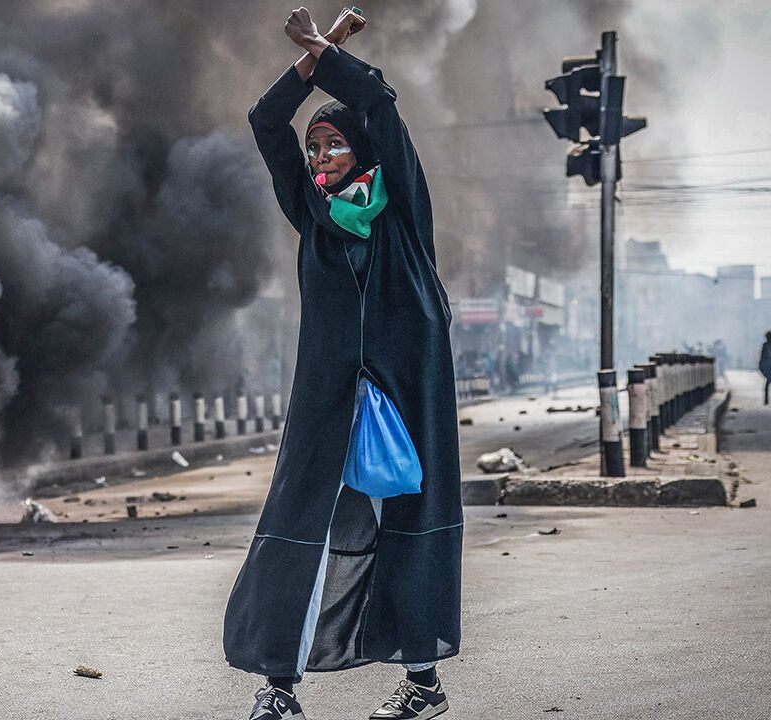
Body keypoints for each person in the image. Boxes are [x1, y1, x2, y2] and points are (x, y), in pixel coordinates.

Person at [225, 8, 460, 720]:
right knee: (302, 523)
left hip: (405, 393)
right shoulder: (314, 215)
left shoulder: (402, 210)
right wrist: (306, 66)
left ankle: (423, 686)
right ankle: (279, 687)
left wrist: (327, 49)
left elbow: (378, 103)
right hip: (329, 396)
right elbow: (266, 124)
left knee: (408, 526)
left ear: (360, 152)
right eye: (315, 147)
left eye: (333, 145)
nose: (321, 158)